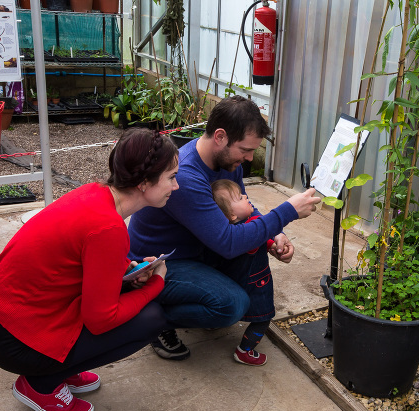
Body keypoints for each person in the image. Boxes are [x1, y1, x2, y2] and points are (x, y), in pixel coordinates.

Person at [0, 129, 179, 411]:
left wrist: (126, 268)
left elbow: (78, 256)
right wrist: (157, 282)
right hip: (13, 342)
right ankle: (42, 384)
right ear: (144, 182)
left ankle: (60, 366)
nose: (176, 185)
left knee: (128, 299)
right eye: (171, 176)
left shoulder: (94, 194)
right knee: (152, 319)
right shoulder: (110, 228)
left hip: (3, 319)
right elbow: (101, 319)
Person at [127, 96, 321, 365]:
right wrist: (286, 212)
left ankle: (196, 299)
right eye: (245, 149)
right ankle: (152, 315)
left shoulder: (228, 164)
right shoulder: (185, 175)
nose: (250, 157)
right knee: (231, 305)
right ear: (220, 136)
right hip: (162, 262)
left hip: (200, 248)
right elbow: (227, 243)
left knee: (253, 240)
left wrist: (274, 233)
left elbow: (243, 209)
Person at [211, 179, 275, 365]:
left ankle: (212, 323)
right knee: (263, 318)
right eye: (240, 197)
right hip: (256, 283)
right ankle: (245, 350)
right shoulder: (251, 226)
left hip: (232, 280)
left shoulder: (226, 231)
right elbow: (262, 228)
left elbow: (259, 241)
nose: (246, 197)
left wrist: (269, 243)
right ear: (231, 214)